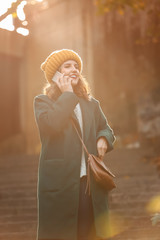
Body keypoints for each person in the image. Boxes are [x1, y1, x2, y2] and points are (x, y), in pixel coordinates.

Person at [33, 49, 116, 240]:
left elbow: (105, 129)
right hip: (60, 183)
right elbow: (52, 125)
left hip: (90, 183)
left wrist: (103, 139)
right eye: (67, 66)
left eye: (76, 66)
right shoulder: (42, 102)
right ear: (55, 75)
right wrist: (67, 94)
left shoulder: (91, 104)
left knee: (92, 233)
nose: (74, 69)